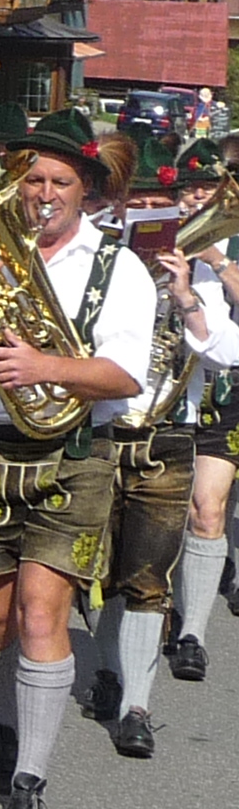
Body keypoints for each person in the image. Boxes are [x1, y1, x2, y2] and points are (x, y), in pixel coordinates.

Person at [0, 109, 151, 809]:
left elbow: (126, 375)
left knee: (41, 616)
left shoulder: (117, 267)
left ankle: (29, 781)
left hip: (73, 457)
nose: (44, 194)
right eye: (32, 181)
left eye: (60, 183)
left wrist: (45, 365)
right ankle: (10, 727)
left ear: (85, 192)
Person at [84, 133, 236, 757]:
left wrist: (187, 296)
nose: (150, 217)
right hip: (100, 430)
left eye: (160, 208)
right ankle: (106, 670)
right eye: (141, 206)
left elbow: (227, 352)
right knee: (96, 570)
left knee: (148, 577)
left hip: (167, 435)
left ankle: (136, 707)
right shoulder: (98, 261)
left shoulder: (195, 269)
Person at [172, 138, 239, 678]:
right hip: (164, 391)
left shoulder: (231, 242)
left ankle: (192, 632)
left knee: (208, 509)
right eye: (190, 189)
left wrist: (217, 259)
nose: (197, 198)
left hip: (224, 389)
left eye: (207, 189)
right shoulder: (158, 238)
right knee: (164, 512)